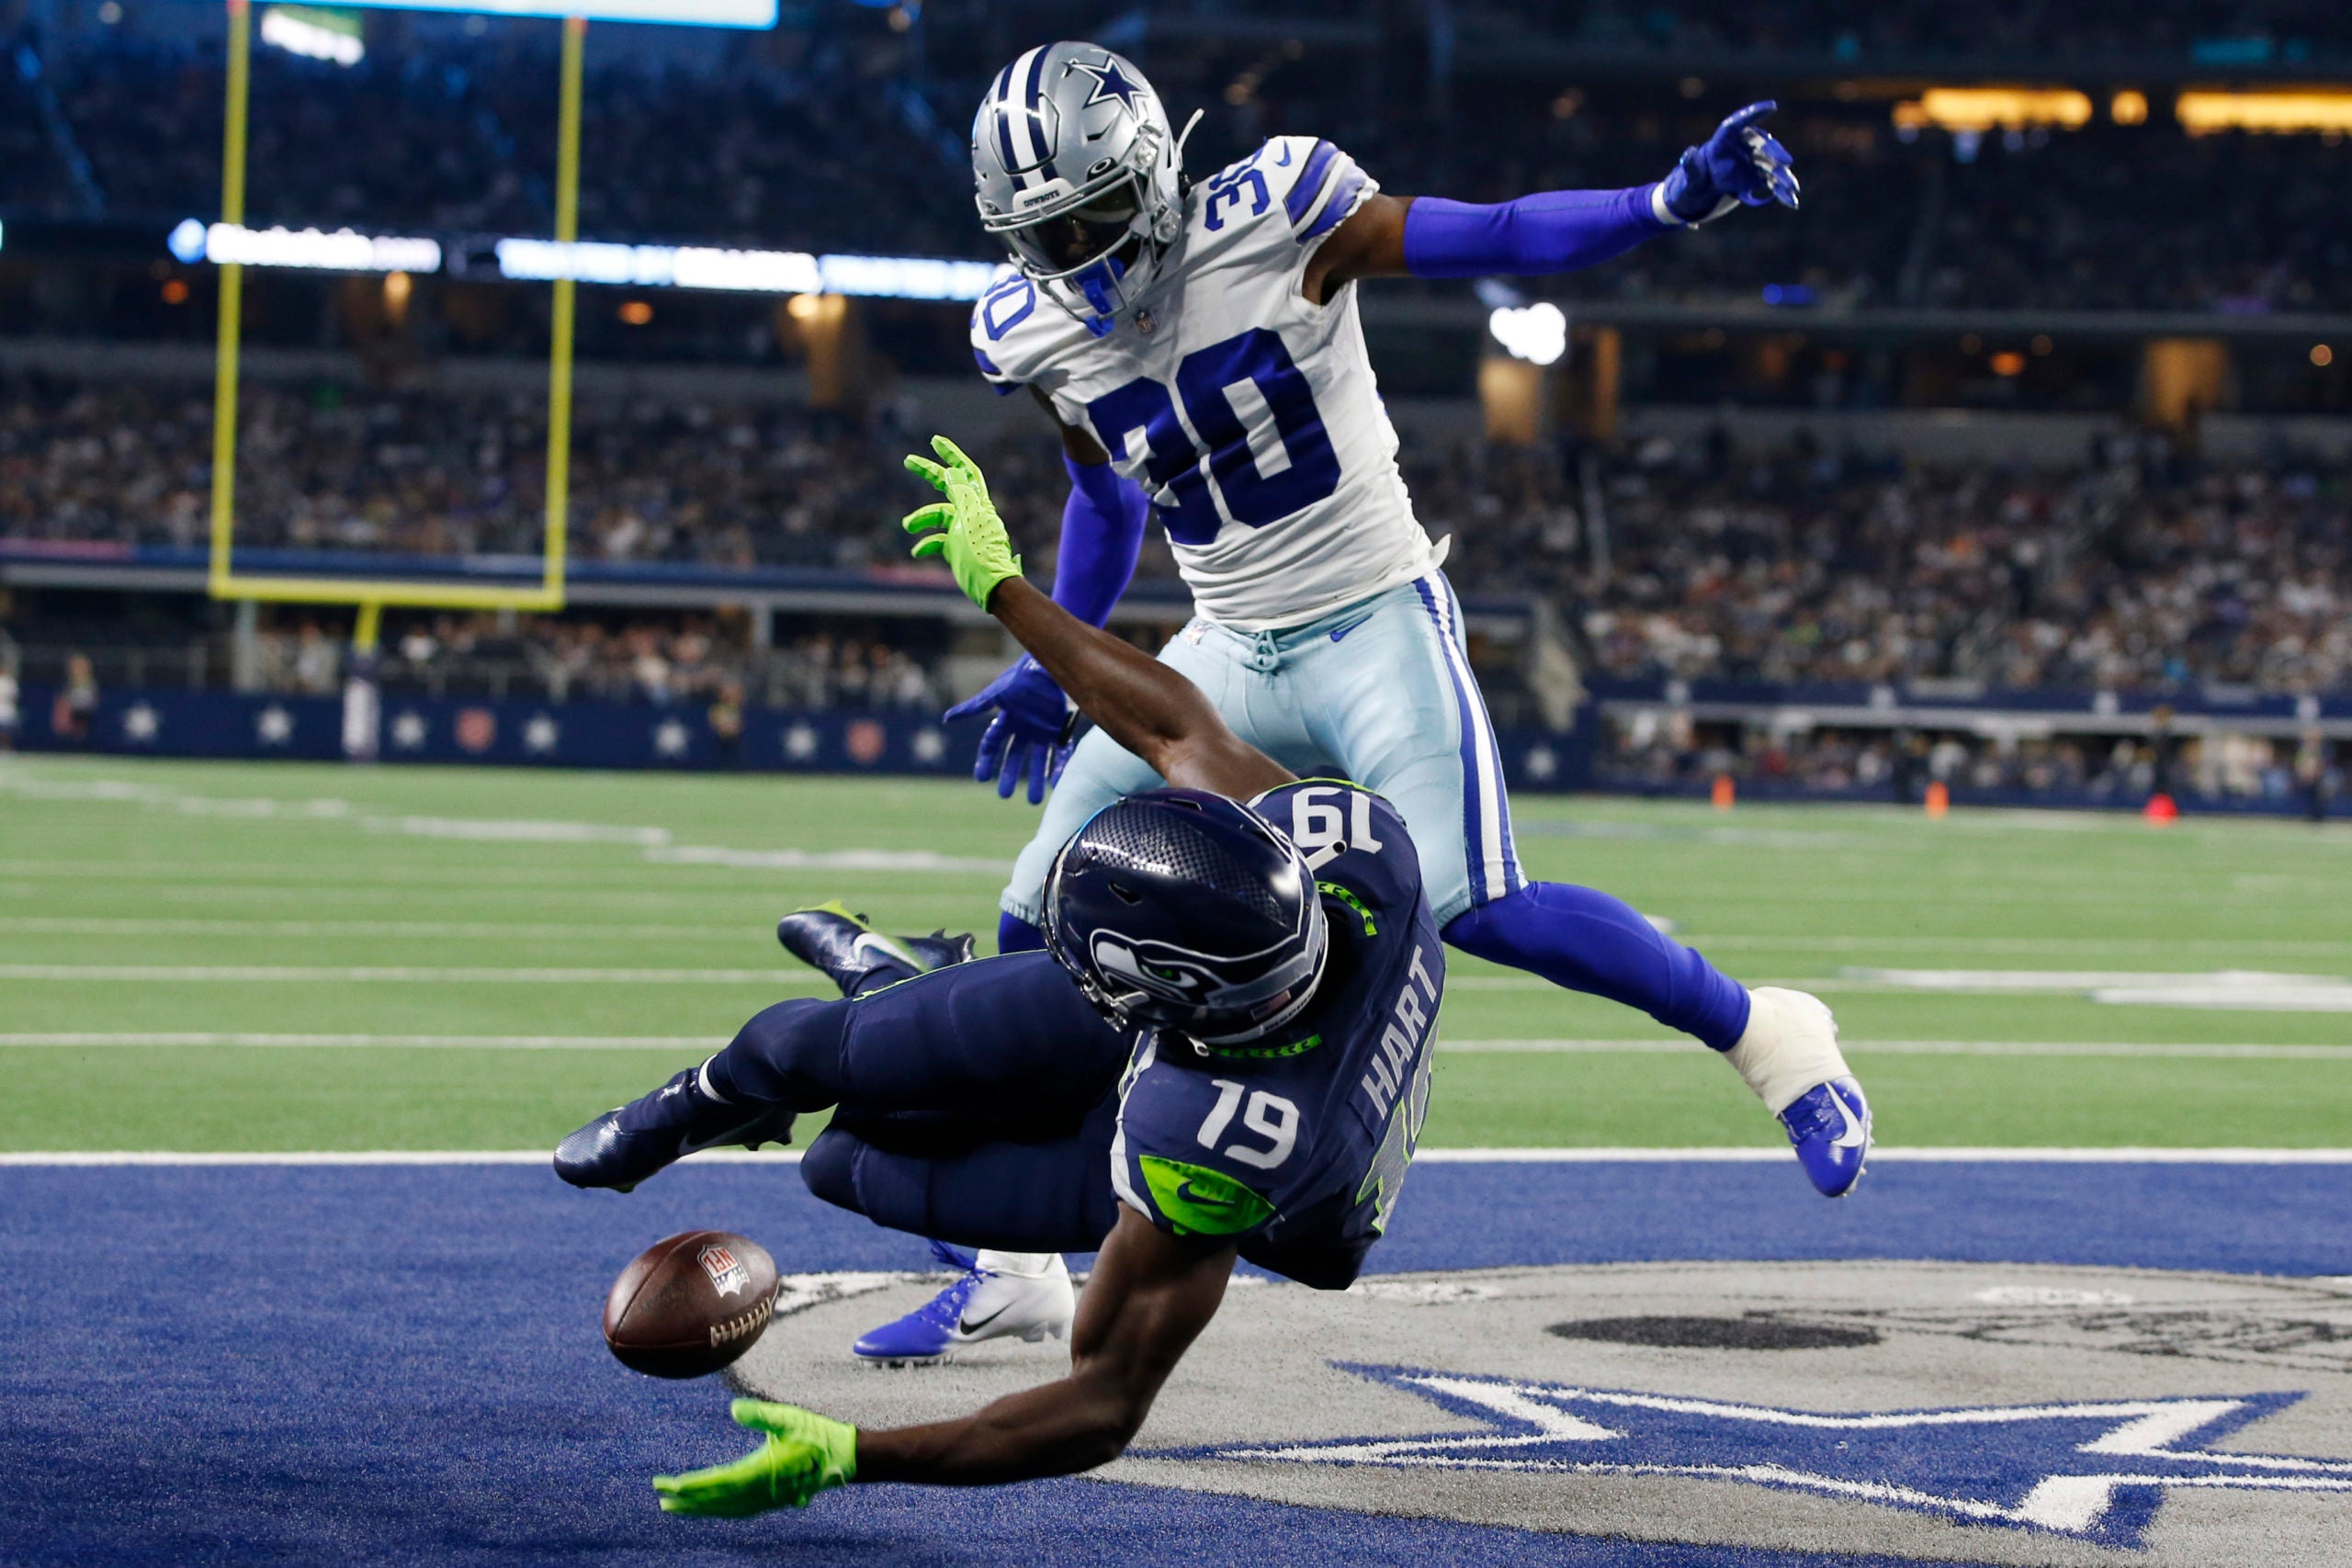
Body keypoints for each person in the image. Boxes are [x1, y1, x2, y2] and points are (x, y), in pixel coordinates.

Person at [552, 441, 1863, 1514]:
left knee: (841, 1164)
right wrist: (1005, 593)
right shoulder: (1354, 861)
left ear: (1161, 1005)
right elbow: (1180, 726)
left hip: (1215, 1135)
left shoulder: (1212, 1152)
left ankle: (904, 1016)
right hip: (1223, 1026)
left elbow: (1099, 1405)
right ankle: (743, 1075)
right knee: (815, 1053)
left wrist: (851, 1456)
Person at [875, 42, 1863, 1361]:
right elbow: (1109, 496)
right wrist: (1061, 655)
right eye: (1047, 237)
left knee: (1478, 905)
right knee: (1030, 914)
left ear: (1156, 176)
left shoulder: (1281, 212)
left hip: (1373, 618)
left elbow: (1498, 231)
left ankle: (1770, 1034)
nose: (1083, 260)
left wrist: (1663, 202)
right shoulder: (1028, 326)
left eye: (1097, 219)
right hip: (1220, 642)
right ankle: (1016, 1270)